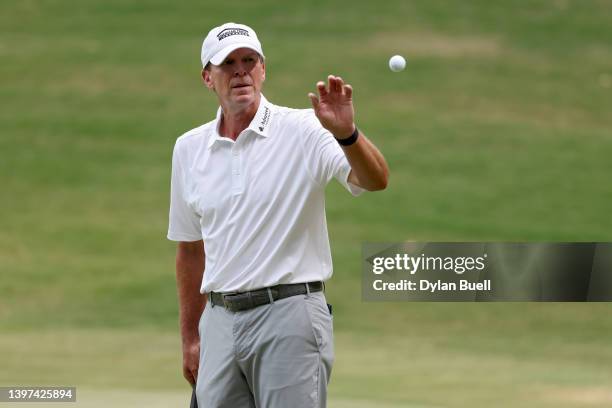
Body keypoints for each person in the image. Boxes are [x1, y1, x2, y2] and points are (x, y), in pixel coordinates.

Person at [167, 22, 389, 408]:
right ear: (207, 77)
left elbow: (374, 180)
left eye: (249, 60)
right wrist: (191, 336)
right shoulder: (188, 149)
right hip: (219, 320)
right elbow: (190, 249)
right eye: (228, 63)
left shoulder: (306, 128)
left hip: (289, 314)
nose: (241, 71)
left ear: (263, 69)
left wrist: (348, 134)